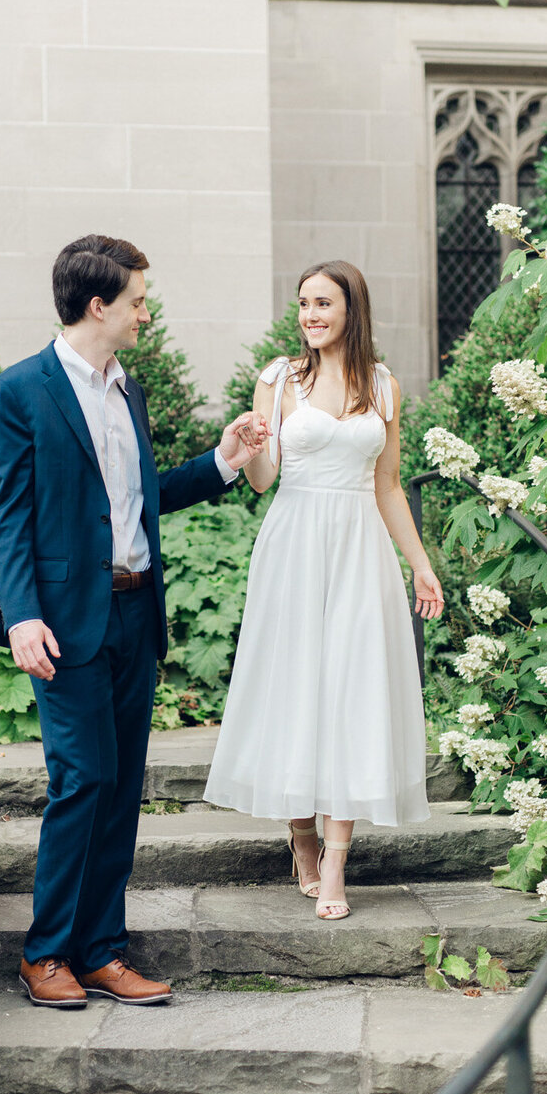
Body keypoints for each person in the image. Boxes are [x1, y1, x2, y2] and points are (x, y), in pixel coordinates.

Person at [0, 234, 269, 1008]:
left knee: (120, 788)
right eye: (138, 300)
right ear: (97, 304)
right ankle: (45, 952)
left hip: (138, 611)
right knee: (82, 778)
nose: (148, 312)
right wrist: (22, 616)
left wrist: (222, 461)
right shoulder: (22, 391)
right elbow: (7, 517)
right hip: (66, 620)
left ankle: (103, 950)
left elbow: (142, 497)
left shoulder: (127, 389)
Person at [203, 260, 445, 920]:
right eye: (304, 303)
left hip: (361, 550)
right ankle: (301, 832)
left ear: (351, 309)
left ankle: (337, 864)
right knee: (299, 687)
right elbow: (261, 478)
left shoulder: (384, 385)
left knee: (352, 692)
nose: (310, 315)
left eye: (323, 303)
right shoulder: (279, 379)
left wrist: (419, 562)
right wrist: (247, 445)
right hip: (295, 546)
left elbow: (389, 484)